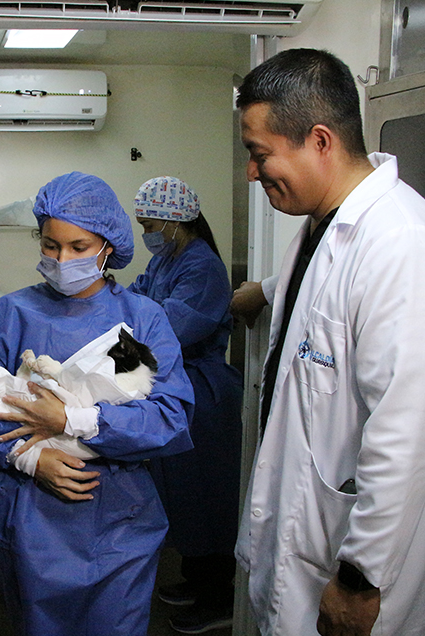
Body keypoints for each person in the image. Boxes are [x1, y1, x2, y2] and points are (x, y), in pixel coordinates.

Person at [233, 49, 425, 636]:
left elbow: (407, 433)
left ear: (319, 140)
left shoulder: (403, 245)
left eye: (260, 155)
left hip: (355, 576)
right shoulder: (321, 229)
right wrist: (262, 292)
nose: (252, 173)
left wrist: (361, 579)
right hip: (302, 545)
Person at [0, 171, 195, 636]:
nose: (62, 259)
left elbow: (169, 416)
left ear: (107, 246)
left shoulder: (139, 321)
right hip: (28, 522)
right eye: (49, 245)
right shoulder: (7, 317)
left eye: (78, 248)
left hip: (119, 525)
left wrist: (72, 419)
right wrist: (29, 456)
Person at [128, 176, 243, 634]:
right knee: (184, 495)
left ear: (176, 221)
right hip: (178, 390)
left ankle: (220, 597)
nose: (146, 234)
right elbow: (133, 298)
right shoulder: (167, 260)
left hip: (206, 396)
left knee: (209, 497)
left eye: (150, 224)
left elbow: (167, 330)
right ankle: (197, 579)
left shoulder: (203, 268)